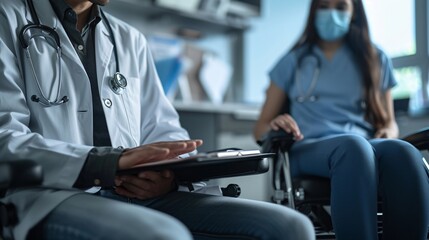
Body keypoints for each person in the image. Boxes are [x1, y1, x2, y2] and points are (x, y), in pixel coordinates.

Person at [0, 0, 317, 239]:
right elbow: (6, 138)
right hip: (52, 195)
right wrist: (108, 163)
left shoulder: (129, 39)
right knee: (166, 236)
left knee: (291, 226)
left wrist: (171, 174)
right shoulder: (7, 18)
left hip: (138, 193)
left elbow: (162, 129)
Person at [253, 0, 429, 239]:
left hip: (364, 143)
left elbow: (389, 122)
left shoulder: (375, 59)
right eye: (324, 5)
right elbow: (260, 128)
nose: (331, 13)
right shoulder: (293, 61)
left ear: (354, 11)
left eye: (340, 6)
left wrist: (388, 130)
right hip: (308, 146)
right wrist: (276, 124)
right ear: (314, 10)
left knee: (404, 151)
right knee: (352, 147)